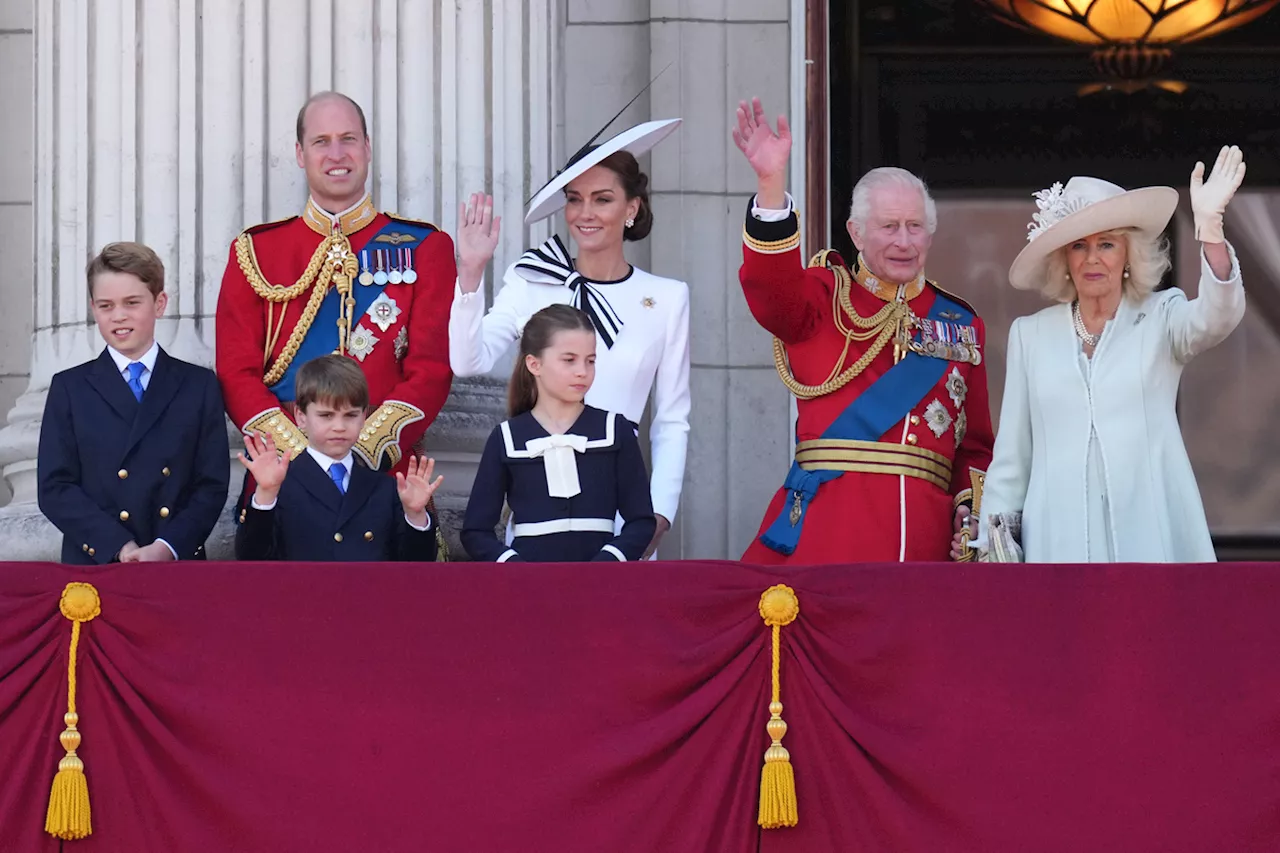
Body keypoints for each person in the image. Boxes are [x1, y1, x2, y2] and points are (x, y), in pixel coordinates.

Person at [730, 97, 995, 564]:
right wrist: (770, 185)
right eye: (889, 226)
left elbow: (974, 446)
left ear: (930, 236)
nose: (904, 241)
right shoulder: (821, 297)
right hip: (826, 537)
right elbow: (771, 290)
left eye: (916, 227)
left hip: (924, 547)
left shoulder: (960, 325)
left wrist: (967, 515)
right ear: (855, 233)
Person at [976, 146, 1248, 563]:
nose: (1092, 258)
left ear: (1127, 256)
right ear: (1064, 259)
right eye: (1079, 246)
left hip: (1150, 538)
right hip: (1056, 544)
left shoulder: (1162, 317)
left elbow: (1217, 317)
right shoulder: (1029, 335)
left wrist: (1210, 229)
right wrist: (994, 550)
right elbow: (1012, 458)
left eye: (1106, 244)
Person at [215, 91, 453, 556]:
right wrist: (299, 455)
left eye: (348, 139)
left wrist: (364, 446)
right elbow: (235, 370)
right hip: (281, 479)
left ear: (367, 146)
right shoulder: (256, 252)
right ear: (301, 154)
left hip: (386, 480)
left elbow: (431, 369)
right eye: (321, 141)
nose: (337, 154)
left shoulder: (425, 246)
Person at [450, 118, 689, 559]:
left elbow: (672, 418)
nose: (585, 213)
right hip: (539, 513)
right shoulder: (531, 280)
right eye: (575, 199)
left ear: (632, 208)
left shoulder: (668, 298)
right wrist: (470, 276)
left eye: (603, 199)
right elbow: (468, 362)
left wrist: (658, 514)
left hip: (624, 513)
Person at [37, 242, 231, 564]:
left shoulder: (199, 385)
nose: (118, 316)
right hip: (99, 564)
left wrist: (167, 547)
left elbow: (211, 485)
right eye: (106, 306)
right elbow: (55, 487)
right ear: (93, 308)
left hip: (176, 565)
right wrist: (117, 545)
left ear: (159, 303)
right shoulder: (69, 388)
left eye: (131, 303)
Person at [461, 305, 656, 562]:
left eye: (590, 361)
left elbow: (641, 521)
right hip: (530, 590)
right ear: (534, 364)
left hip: (602, 588)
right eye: (569, 360)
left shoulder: (614, 430)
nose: (582, 371)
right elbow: (476, 531)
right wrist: (515, 567)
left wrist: (609, 561)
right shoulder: (507, 437)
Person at [235, 355, 442, 561]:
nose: (339, 427)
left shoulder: (385, 488)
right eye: (326, 416)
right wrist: (264, 498)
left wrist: (415, 516)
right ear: (301, 417)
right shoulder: (279, 485)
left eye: (350, 415)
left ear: (363, 418)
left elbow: (416, 570)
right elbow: (251, 560)